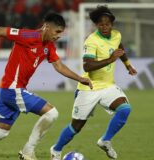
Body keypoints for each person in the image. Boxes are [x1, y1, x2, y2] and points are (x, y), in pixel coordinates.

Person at [0, 12, 92, 160]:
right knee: (51, 113)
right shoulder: (28, 36)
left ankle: (27, 151)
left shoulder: (48, 46)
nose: (58, 35)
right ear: (46, 27)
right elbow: (1, 30)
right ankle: (28, 152)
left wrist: (79, 78)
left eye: (61, 33)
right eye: (57, 31)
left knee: (2, 132)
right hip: (12, 88)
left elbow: (58, 66)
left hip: (10, 89)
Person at [50, 6, 137, 160]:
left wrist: (127, 64)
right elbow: (87, 66)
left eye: (107, 24)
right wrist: (111, 59)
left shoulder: (116, 35)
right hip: (89, 87)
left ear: (112, 24)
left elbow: (119, 47)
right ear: (96, 25)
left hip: (108, 86)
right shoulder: (92, 40)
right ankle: (56, 150)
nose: (104, 27)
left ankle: (105, 140)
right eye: (101, 24)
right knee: (76, 127)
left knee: (125, 109)